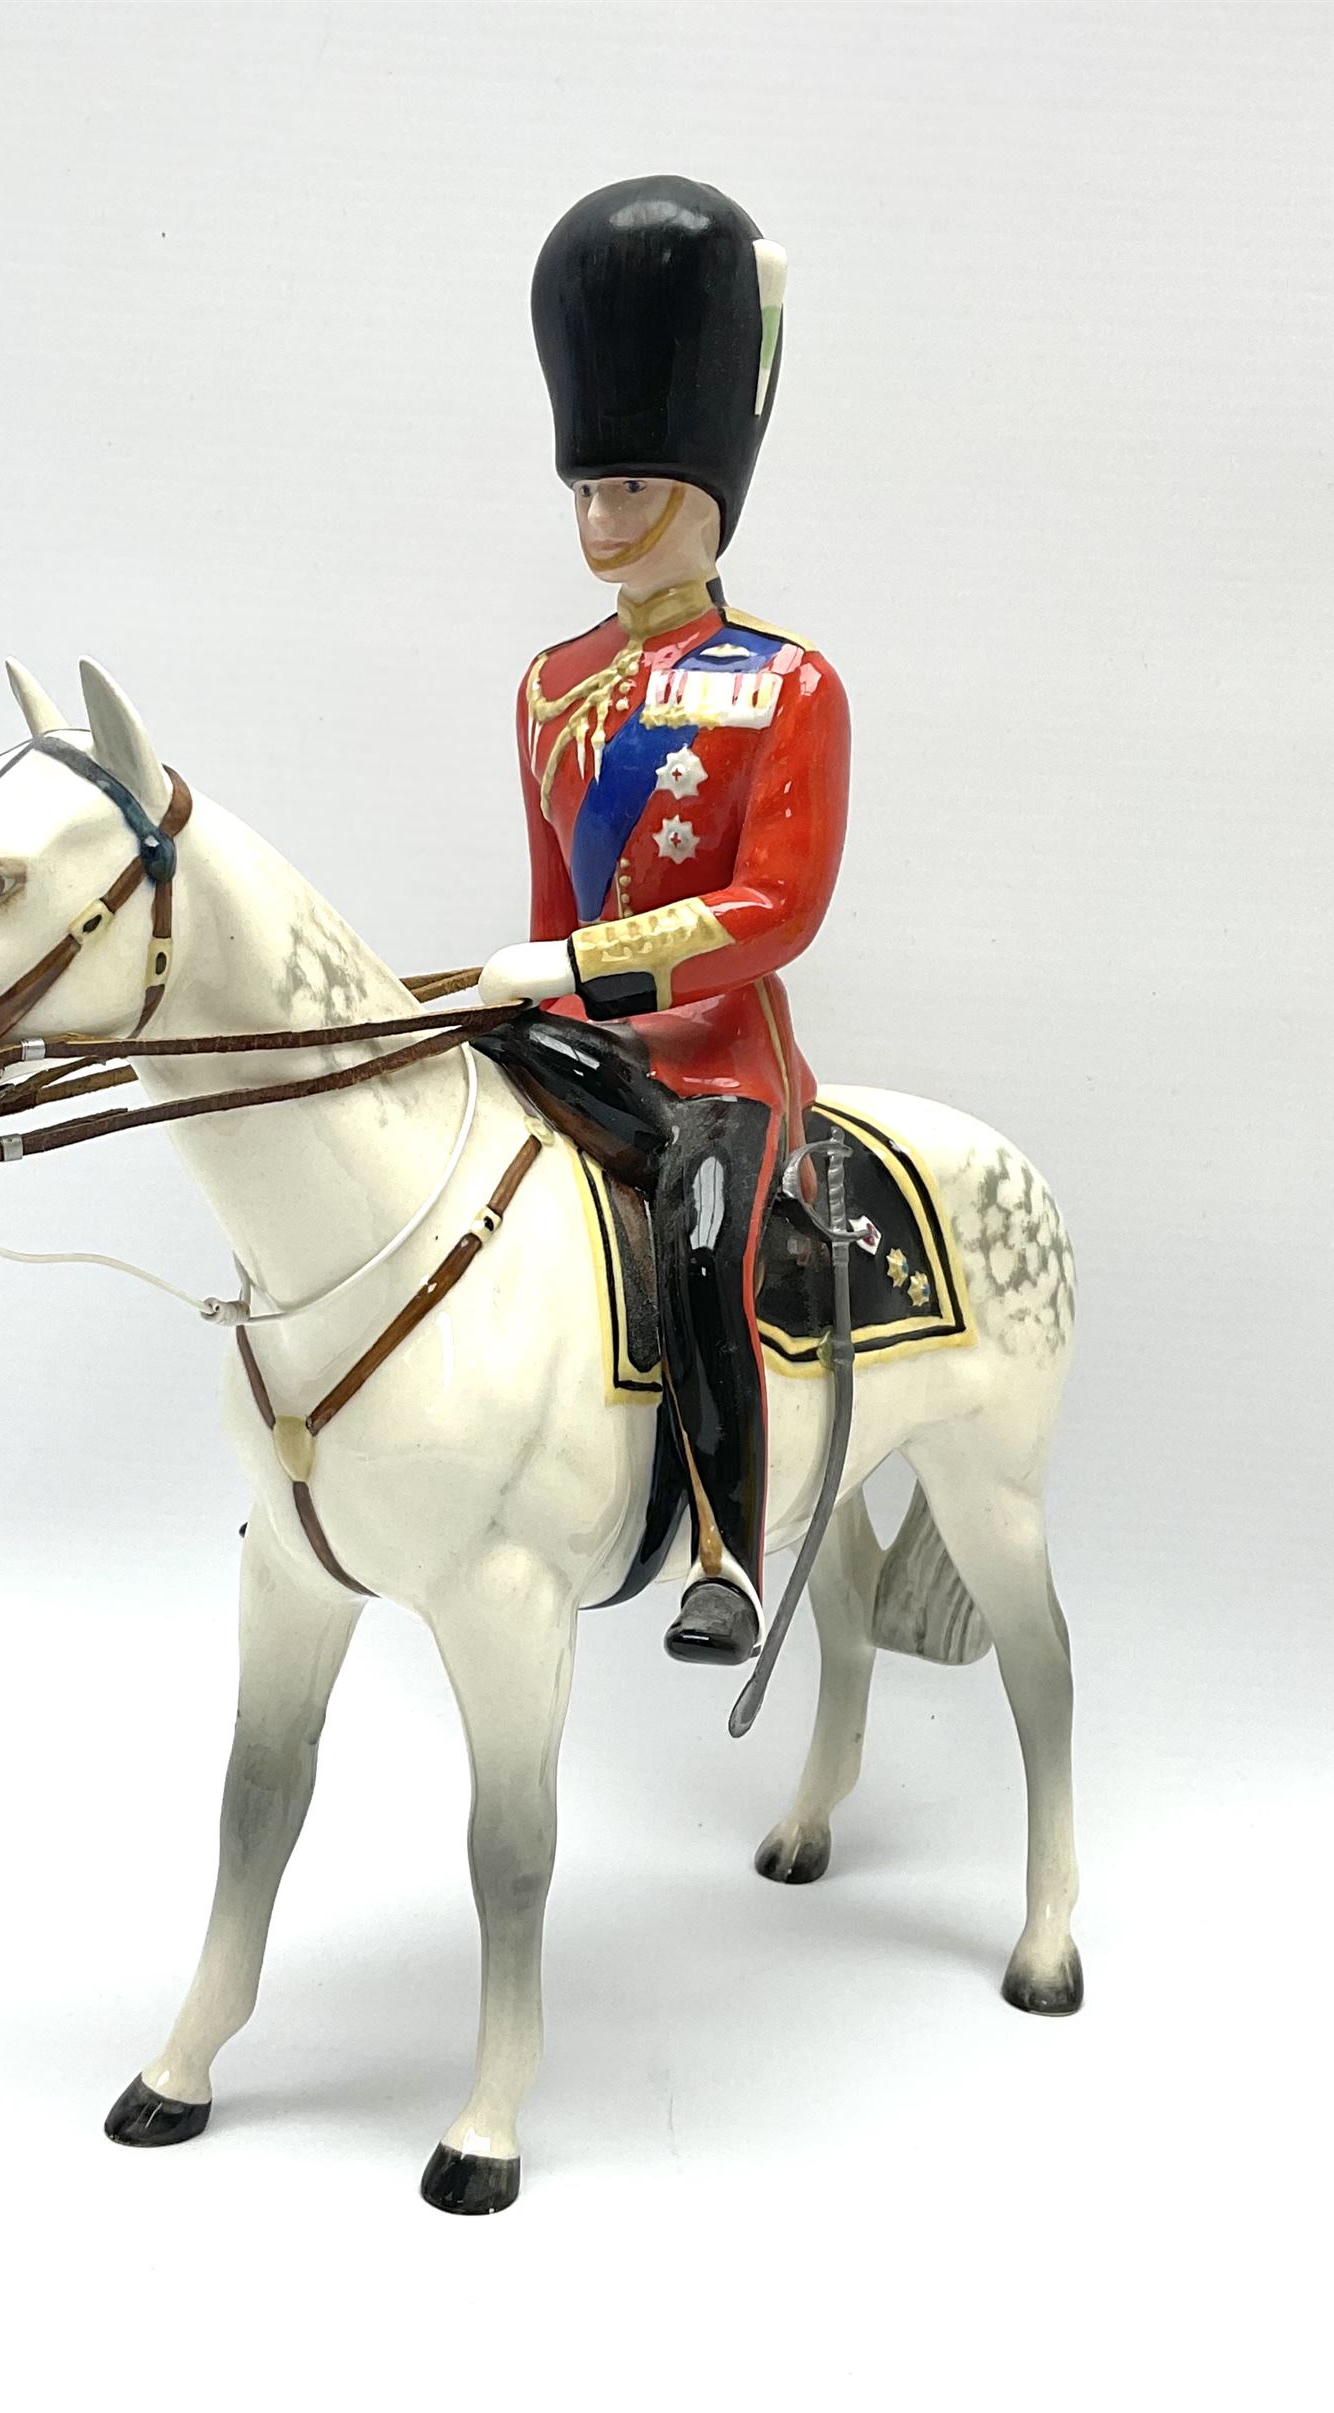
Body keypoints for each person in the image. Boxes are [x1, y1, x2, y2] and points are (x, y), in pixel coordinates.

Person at [476, 175, 851, 1667]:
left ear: (702, 496)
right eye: (587, 490)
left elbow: (778, 908)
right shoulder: (546, 686)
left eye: (628, 491)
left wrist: (582, 967)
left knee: (695, 1235)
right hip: (578, 1040)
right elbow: (546, 907)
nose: (600, 519)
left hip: (719, 1061)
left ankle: (726, 1554)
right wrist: (519, 1000)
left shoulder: (788, 685)